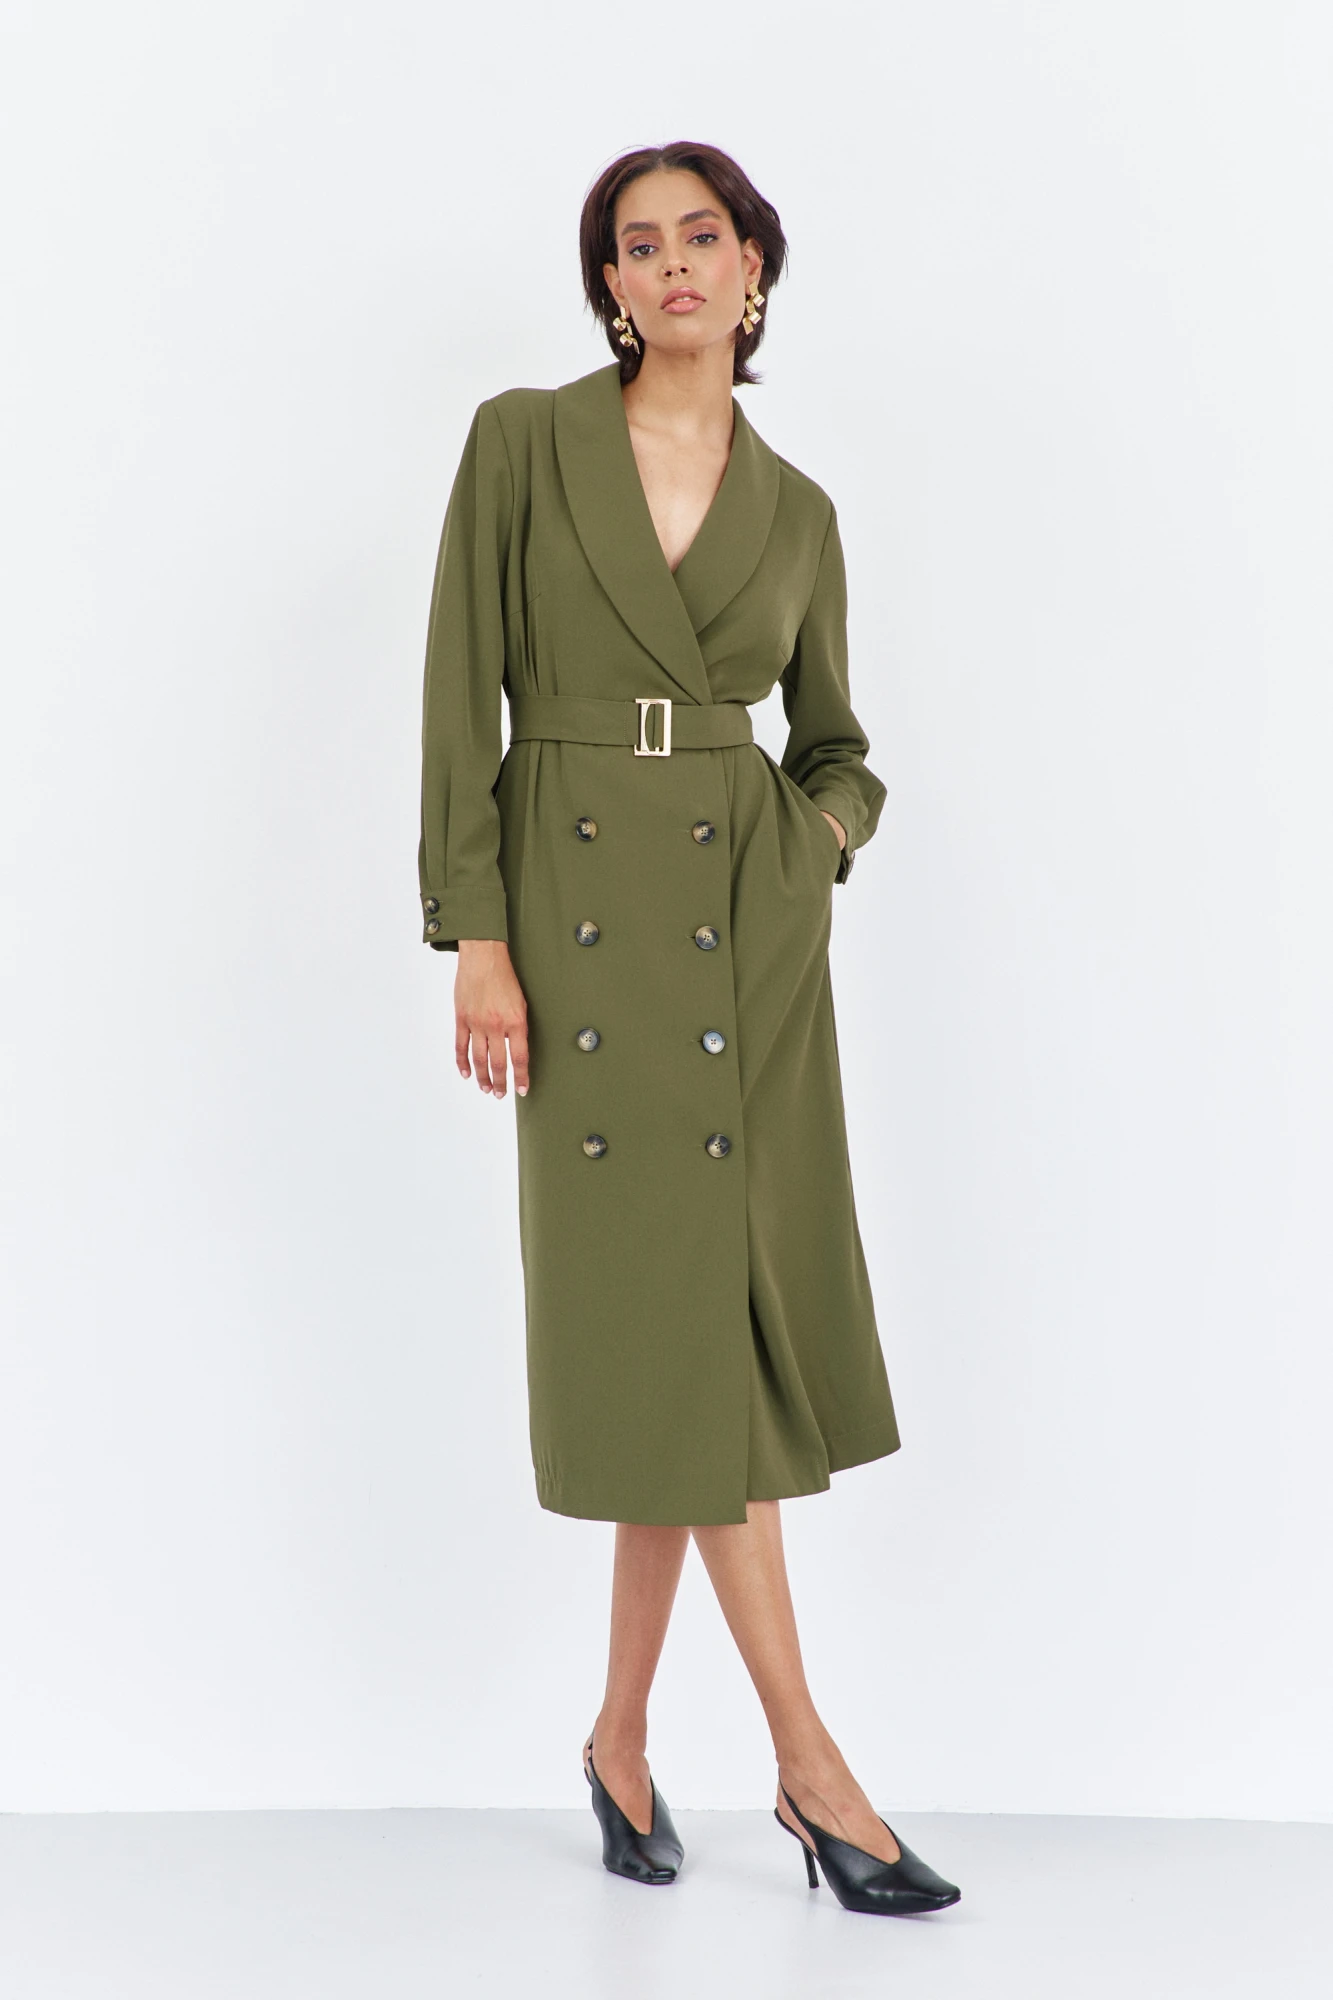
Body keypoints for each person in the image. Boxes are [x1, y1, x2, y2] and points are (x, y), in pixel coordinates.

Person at [417, 140, 960, 1917]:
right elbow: (460, 695)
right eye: (635, 245)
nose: (670, 267)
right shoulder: (523, 444)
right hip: (580, 956)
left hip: (746, 952)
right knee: (679, 1346)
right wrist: (477, 931)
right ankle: (815, 1769)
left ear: (752, 271)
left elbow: (840, 746)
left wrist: (815, 843)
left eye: (700, 237)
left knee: (694, 1352)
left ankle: (622, 1742)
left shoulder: (799, 512)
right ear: (609, 285)